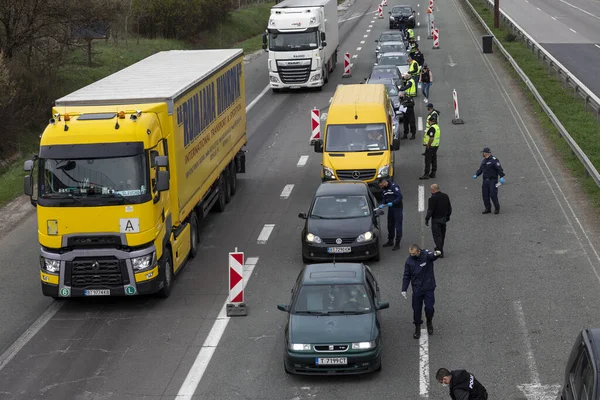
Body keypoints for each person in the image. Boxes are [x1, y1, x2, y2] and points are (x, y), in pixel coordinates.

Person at [401, 244, 441, 339]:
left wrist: (437, 254)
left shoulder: (426, 255)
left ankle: (429, 321)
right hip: (417, 289)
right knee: (416, 310)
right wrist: (404, 289)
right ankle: (417, 327)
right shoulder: (409, 261)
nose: (411, 255)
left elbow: (433, 255)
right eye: (410, 253)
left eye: (413, 253)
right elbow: (406, 275)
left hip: (428, 288)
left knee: (429, 308)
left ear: (418, 251)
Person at [473, 147, 505, 214]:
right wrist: (476, 174)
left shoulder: (494, 160)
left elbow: (499, 168)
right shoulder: (484, 161)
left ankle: (497, 208)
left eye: (483, 153)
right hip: (485, 181)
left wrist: (502, 176)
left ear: (486, 153)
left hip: (492, 181)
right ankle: (488, 208)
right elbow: (481, 169)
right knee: (485, 195)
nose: (483, 154)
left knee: (493, 194)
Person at [425, 184, 452, 258]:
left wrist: (427, 219)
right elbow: (449, 207)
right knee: (442, 234)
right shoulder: (445, 196)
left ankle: (440, 250)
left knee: (437, 236)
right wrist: (448, 216)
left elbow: (430, 210)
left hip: (436, 219)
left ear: (433, 190)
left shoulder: (432, 198)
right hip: (443, 219)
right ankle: (439, 247)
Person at [377, 177, 403, 251]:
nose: (381, 187)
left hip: (397, 208)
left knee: (398, 226)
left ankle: (397, 243)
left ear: (385, 182)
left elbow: (400, 197)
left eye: (381, 185)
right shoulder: (384, 190)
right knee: (390, 225)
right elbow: (384, 198)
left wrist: (393, 203)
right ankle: (390, 241)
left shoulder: (394, 187)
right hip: (391, 209)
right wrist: (382, 204)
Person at [420, 114, 440, 180]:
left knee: (427, 160)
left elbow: (431, 138)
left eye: (428, 121)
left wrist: (428, 144)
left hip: (431, 146)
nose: (428, 122)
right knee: (434, 159)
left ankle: (426, 174)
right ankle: (433, 173)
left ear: (431, 121)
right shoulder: (437, 127)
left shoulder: (432, 128)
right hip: (435, 146)